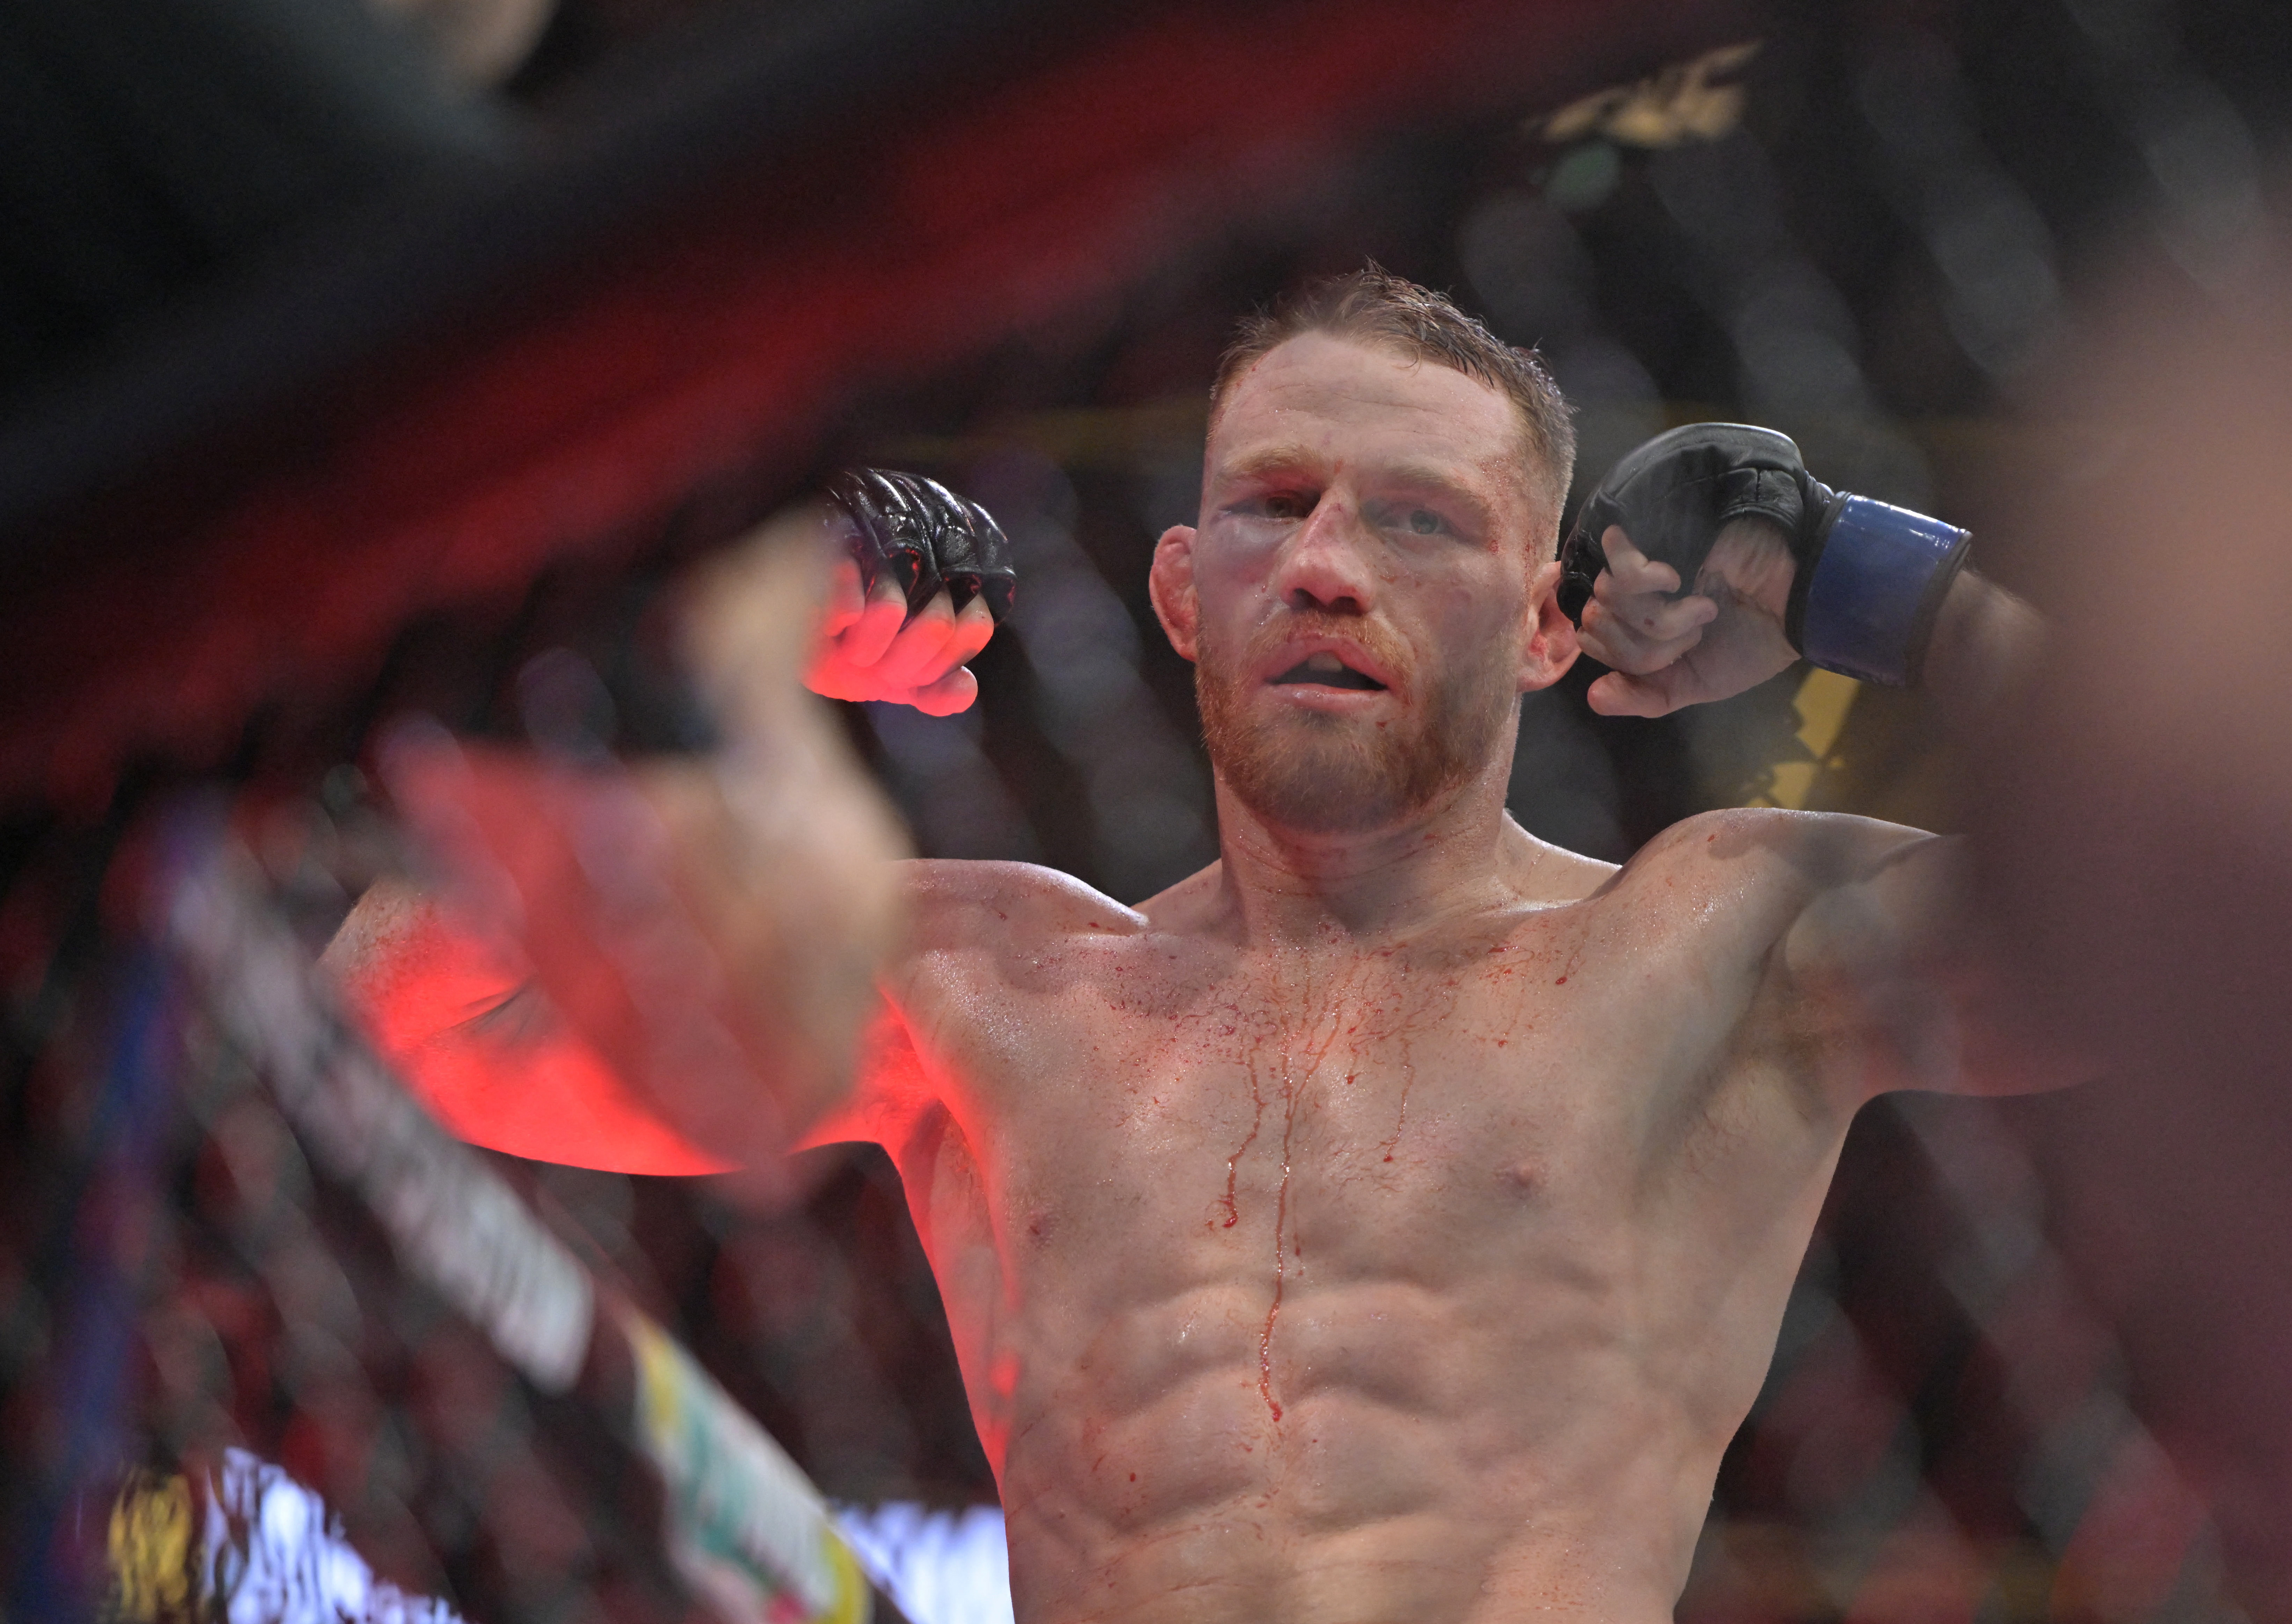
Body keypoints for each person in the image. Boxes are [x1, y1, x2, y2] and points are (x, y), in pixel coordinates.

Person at [328, 268, 2047, 1623]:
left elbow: (2244, 916)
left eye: (1417, 521)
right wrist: (686, 674)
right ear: (1173, 595)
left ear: (1544, 622)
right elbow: (396, 1017)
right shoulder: (988, 987)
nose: (1319, 564)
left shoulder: (1708, 948)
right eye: (1270, 504)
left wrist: (1855, 582)